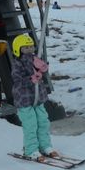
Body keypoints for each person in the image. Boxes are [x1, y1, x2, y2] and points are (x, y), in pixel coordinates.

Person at [11, 33, 57, 161]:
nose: (29, 49)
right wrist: (31, 79)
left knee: (43, 122)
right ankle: (31, 150)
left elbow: (42, 69)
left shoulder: (34, 58)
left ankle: (45, 146)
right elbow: (17, 80)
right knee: (31, 125)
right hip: (25, 99)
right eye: (26, 47)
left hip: (38, 98)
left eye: (31, 46)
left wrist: (43, 67)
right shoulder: (17, 63)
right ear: (18, 49)